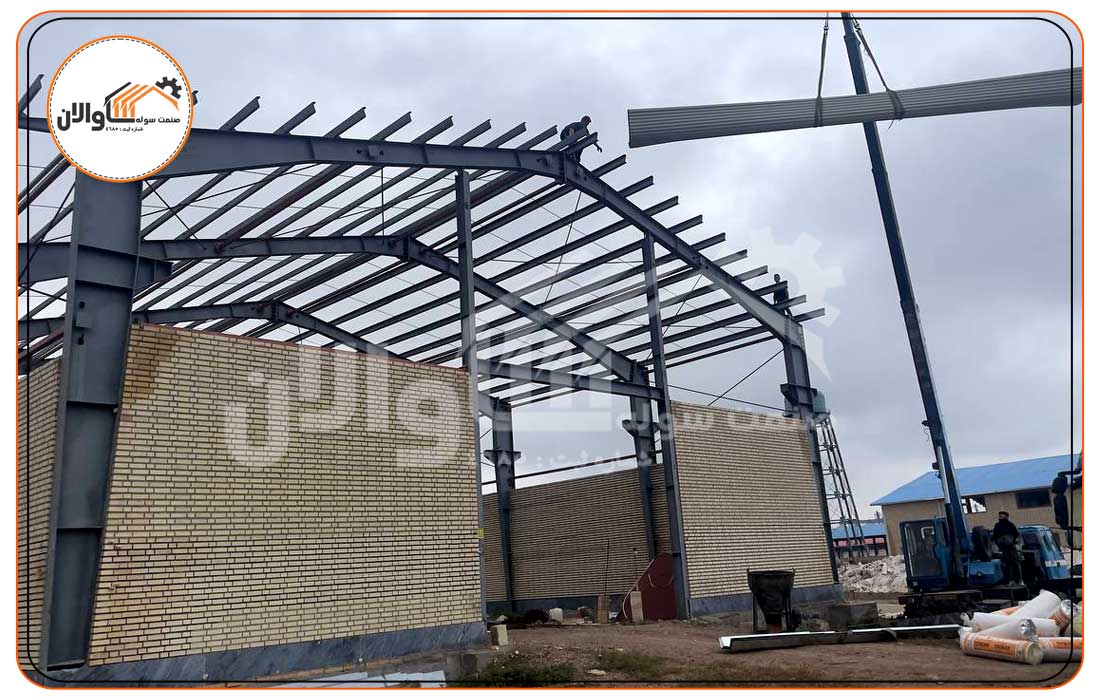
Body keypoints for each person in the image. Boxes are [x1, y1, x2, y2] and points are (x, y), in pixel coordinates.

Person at [992, 511, 1023, 584]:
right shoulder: (997, 525)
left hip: (1011, 547)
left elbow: (1016, 535)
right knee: (1006, 565)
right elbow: (995, 536)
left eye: (1001, 515)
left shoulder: (1010, 524)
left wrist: (1015, 541)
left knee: (1015, 563)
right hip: (1003, 548)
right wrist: (996, 544)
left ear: (1006, 516)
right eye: (999, 515)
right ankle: (1010, 580)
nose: (1000, 516)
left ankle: (1018, 580)